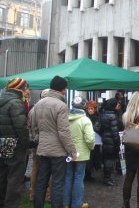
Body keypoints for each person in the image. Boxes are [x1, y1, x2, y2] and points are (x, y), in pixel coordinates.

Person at [32, 76, 77, 208]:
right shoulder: (61, 106)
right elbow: (64, 131)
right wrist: (72, 151)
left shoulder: (39, 103)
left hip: (43, 149)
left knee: (41, 182)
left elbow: (34, 127)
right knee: (57, 183)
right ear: (62, 89)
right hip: (57, 152)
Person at [0, 77, 30, 208]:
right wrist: (27, 143)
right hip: (15, 144)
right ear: (21, 89)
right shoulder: (16, 103)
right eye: (27, 88)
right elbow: (21, 129)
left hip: (3, 142)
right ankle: (10, 204)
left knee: (3, 174)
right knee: (15, 178)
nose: (28, 91)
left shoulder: (2, 99)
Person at [63, 97, 95, 208]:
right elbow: (90, 139)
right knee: (78, 177)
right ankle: (77, 203)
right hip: (81, 153)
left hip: (67, 151)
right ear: (85, 106)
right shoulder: (85, 120)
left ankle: (66, 203)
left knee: (68, 177)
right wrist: (91, 147)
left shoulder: (65, 118)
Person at [29, 89, 51, 203]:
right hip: (44, 143)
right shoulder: (45, 109)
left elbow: (29, 126)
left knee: (35, 167)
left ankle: (32, 194)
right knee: (47, 169)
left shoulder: (33, 109)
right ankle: (47, 196)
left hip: (35, 142)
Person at [98, 98, 120, 186]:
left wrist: (103, 133)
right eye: (117, 104)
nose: (118, 106)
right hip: (111, 141)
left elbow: (97, 127)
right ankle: (107, 179)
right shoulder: (113, 116)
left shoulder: (102, 114)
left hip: (105, 139)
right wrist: (117, 141)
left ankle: (106, 177)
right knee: (109, 160)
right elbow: (115, 132)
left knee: (106, 158)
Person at [85, 101, 102, 181]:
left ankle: (90, 173)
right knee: (88, 158)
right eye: (89, 109)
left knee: (94, 158)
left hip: (96, 140)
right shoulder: (85, 117)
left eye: (92, 109)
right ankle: (87, 174)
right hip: (88, 140)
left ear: (95, 109)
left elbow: (98, 128)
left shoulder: (98, 117)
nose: (90, 110)